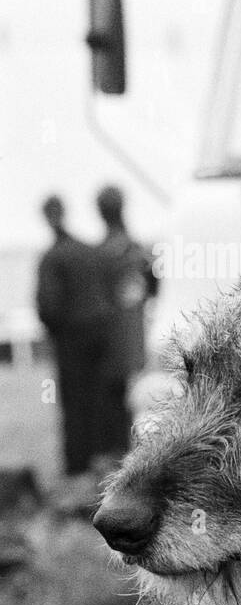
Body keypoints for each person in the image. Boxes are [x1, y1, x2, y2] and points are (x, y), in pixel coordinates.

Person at [34, 195, 116, 477]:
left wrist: (57, 330)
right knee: (97, 401)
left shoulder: (53, 256)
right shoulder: (88, 251)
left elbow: (48, 307)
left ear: (47, 216)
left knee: (73, 404)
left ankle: (77, 467)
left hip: (72, 340)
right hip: (100, 336)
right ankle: (99, 462)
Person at [95, 185, 158, 457]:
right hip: (135, 344)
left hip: (108, 348)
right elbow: (154, 289)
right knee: (137, 409)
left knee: (113, 412)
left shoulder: (98, 256)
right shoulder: (139, 252)